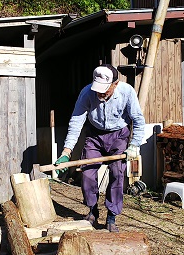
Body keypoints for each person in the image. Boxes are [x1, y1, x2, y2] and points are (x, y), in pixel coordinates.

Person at [54, 64, 145, 232]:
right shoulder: (87, 93)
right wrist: (66, 152)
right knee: (87, 172)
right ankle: (92, 210)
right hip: (94, 135)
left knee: (117, 173)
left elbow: (138, 120)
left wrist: (134, 145)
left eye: (105, 89)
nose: (100, 93)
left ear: (115, 84)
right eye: (98, 89)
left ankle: (111, 215)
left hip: (119, 135)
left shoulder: (127, 92)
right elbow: (76, 122)